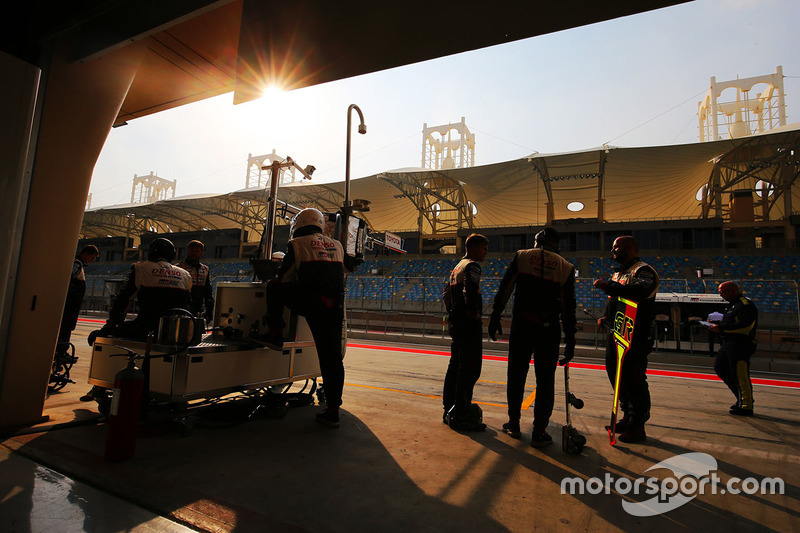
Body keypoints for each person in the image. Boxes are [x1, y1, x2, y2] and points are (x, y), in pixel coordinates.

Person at [488, 227, 576, 447]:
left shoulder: (523, 256)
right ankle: (539, 431)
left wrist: (495, 316)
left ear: (537, 241)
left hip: (522, 326)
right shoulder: (566, 267)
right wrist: (571, 340)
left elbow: (505, 288)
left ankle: (514, 424)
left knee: (516, 376)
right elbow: (568, 308)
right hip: (549, 330)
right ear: (557, 245)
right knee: (546, 381)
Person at [263, 208, 350, 428]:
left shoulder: (297, 244)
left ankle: (274, 332)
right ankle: (333, 410)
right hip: (335, 306)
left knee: (273, 287)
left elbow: (284, 278)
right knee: (332, 360)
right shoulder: (337, 245)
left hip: (313, 303)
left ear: (299, 224)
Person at [83, 238, 192, 401]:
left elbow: (123, 301)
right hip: (173, 333)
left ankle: (99, 386)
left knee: (100, 337)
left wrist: (111, 326)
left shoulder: (141, 268)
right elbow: (188, 306)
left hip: (144, 327)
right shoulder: (185, 274)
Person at [593, 236, 659, 443]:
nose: (612, 251)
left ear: (628, 247)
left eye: (616, 247)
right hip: (616, 332)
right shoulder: (619, 273)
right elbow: (618, 302)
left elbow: (640, 292)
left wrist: (608, 287)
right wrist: (607, 316)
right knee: (616, 376)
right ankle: (627, 415)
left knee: (634, 379)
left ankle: (638, 424)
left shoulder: (643, 270)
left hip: (635, 336)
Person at [442, 233, 489, 431]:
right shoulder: (472, 266)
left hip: (456, 322)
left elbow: (446, 293)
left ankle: (449, 408)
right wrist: (474, 313)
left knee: (455, 365)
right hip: (468, 324)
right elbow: (470, 290)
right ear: (475, 247)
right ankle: (462, 412)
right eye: (484, 248)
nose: (486, 252)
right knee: (470, 368)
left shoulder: (456, 267)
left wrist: (453, 313)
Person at [710, 281, 758, 416]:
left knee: (740, 374)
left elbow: (746, 326)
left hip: (740, 344)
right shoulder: (732, 305)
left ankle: (746, 405)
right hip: (728, 343)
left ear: (733, 290)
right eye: (719, 292)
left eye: (723, 292)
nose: (721, 295)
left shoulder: (745, 305)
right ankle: (741, 397)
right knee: (720, 368)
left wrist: (721, 329)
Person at [57, 245, 99, 354]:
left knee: (67, 327)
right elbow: (69, 278)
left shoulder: (78, 264)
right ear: (85, 254)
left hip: (71, 305)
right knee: (66, 328)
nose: (92, 260)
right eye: (92, 257)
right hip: (70, 306)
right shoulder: (77, 264)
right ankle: (61, 350)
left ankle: (61, 349)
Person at [177, 240, 214, 323]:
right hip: (182, 307)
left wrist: (209, 309)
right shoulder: (179, 267)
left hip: (198, 308)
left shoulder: (205, 269)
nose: (194, 253)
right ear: (187, 251)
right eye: (191, 251)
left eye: (197, 251)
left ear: (201, 253)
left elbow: (207, 290)